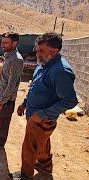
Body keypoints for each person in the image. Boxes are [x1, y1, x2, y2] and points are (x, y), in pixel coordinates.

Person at [12, 33, 78, 179]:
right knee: (42, 145)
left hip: (42, 119)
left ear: (54, 51)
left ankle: (25, 175)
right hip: (34, 115)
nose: (37, 53)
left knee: (29, 148)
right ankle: (45, 169)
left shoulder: (60, 71)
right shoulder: (43, 63)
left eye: (41, 50)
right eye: (37, 49)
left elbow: (70, 101)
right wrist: (24, 104)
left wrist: (42, 114)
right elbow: (35, 87)